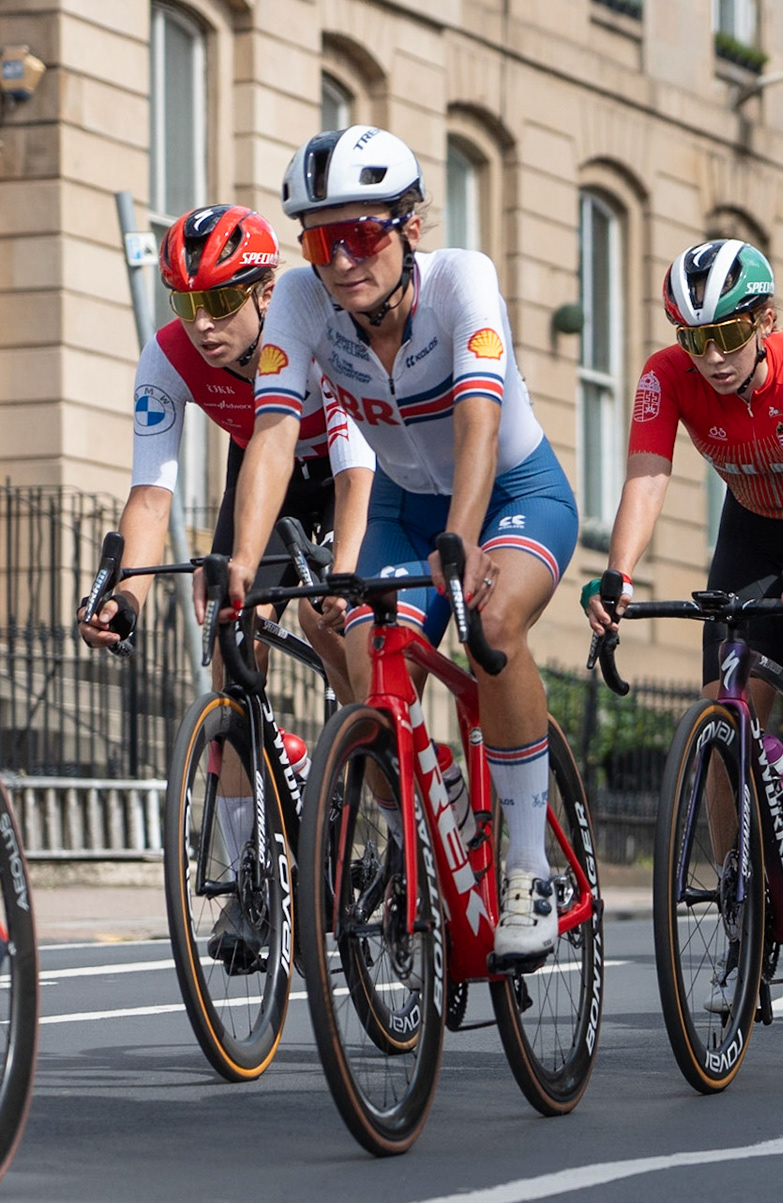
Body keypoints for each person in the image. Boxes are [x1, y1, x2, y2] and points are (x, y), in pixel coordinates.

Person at [227, 127, 579, 961]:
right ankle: (433, 810)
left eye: (361, 234)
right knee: (368, 663)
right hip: (399, 504)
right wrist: (242, 564)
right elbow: (273, 435)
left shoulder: (465, 282)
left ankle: (527, 865)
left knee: (492, 629)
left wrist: (463, 537)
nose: (342, 261)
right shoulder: (301, 303)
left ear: (409, 228)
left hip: (511, 494)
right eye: (321, 240)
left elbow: (480, 424)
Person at [80, 202, 375, 966]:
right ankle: (252, 880)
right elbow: (151, 496)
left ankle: (381, 797)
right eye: (187, 302)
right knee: (230, 644)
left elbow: (355, 472)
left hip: (353, 469)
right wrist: (128, 596)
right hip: (266, 474)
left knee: (334, 626)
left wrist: (340, 574)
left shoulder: (312, 331)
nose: (202, 323)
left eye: (218, 300)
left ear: (265, 291)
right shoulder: (169, 356)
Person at [586, 238, 783, 862]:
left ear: (766, 320)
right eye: (694, 339)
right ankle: (740, 897)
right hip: (753, 526)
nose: (713, 357)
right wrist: (617, 574)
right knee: (724, 718)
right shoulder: (665, 375)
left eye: (728, 334)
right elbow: (646, 479)